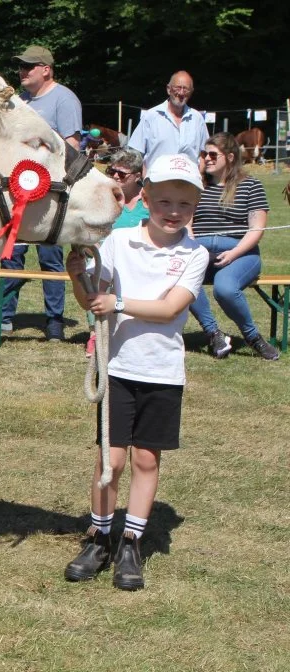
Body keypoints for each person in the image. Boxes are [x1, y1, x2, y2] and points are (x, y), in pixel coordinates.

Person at [62, 153, 209, 591]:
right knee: (112, 460)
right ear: (144, 198)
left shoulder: (194, 254)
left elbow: (169, 309)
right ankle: (100, 536)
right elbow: (93, 297)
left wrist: (120, 304)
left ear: (194, 207)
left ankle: (131, 542)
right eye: (163, 201)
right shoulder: (119, 243)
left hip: (162, 371)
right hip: (118, 368)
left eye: (184, 205)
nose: (173, 212)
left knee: (146, 459)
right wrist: (78, 278)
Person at [0, 45, 82, 341]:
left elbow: (71, 146)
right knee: (12, 254)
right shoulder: (19, 102)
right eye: (20, 66)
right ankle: (4, 317)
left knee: (51, 257)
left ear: (46, 69)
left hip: (51, 193)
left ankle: (55, 322)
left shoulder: (64, 99)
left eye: (29, 66)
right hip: (19, 191)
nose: (22, 71)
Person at [187, 132, 278, 360]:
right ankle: (214, 334)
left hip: (241, 253)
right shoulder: (196, 187)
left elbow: (257, 228)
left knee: (225, 288)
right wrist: (193, 249)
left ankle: (253, 337)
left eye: (212, 154)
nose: (206, 158)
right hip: (201, 252)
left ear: (229, 157)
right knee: (183, 277)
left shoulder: (251, 185)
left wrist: (234, 252)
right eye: (203, 154)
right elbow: (186, 223)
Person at [84, 148, 149, 357]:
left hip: (140, 259)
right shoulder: (101, 199)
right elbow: (87, 232)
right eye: (111, 171)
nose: (114, 177)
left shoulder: (148, 203)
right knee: (95, 275)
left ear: (137, 176)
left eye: (121, 174)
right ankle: (96, 333)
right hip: (104, 258)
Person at [126, 71, 208, 169]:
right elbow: (136, 153)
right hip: (156, 181)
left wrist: (201, 174)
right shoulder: (151, 116)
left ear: (191, 92)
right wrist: (144, 177)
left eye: (186, 89)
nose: (181, 93)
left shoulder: (197, 119)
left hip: (189, 182)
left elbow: (205, 153)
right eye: (178, 87)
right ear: (169, 89)